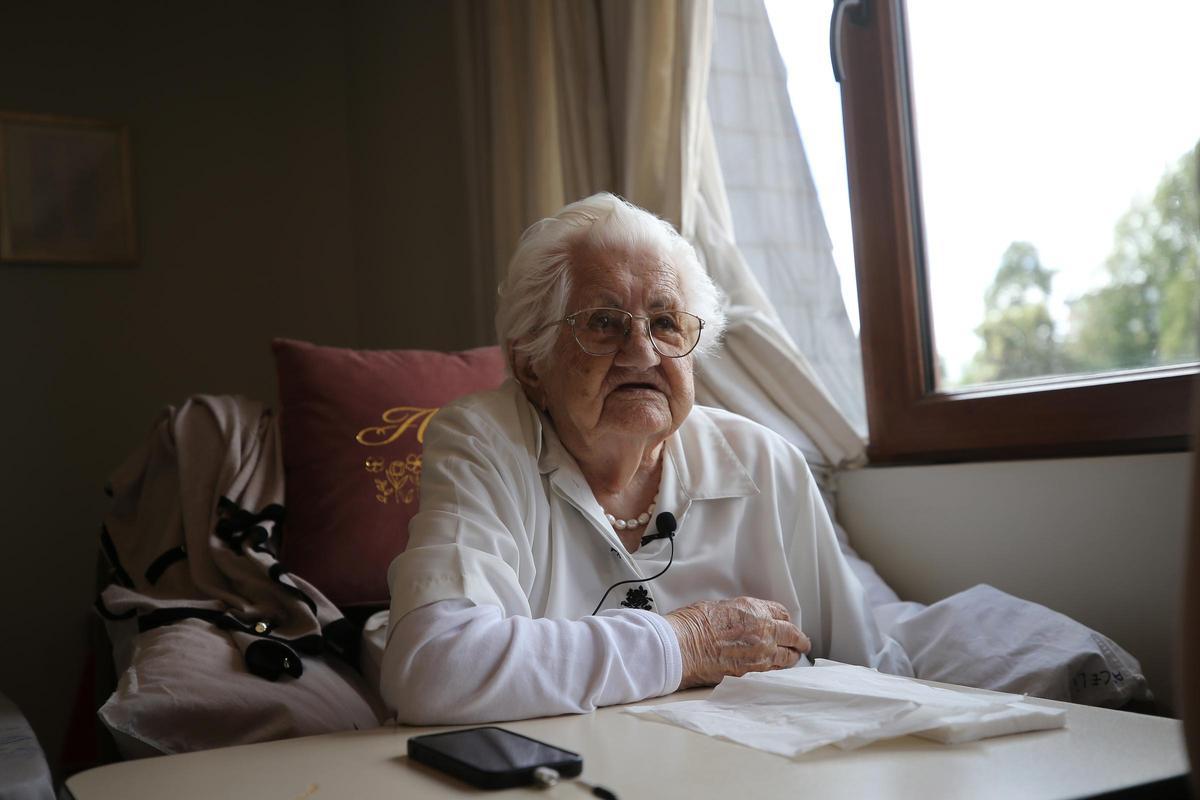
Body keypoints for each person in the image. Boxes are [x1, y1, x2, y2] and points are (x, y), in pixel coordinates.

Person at [379, 193, 910, 724]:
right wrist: (686, 643)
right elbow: (435, 668)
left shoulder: (765, 462)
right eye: (604, 323)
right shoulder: (482, 441)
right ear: (531, 365)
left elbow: (868, 670)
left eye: (665, 322)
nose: (643, 352)